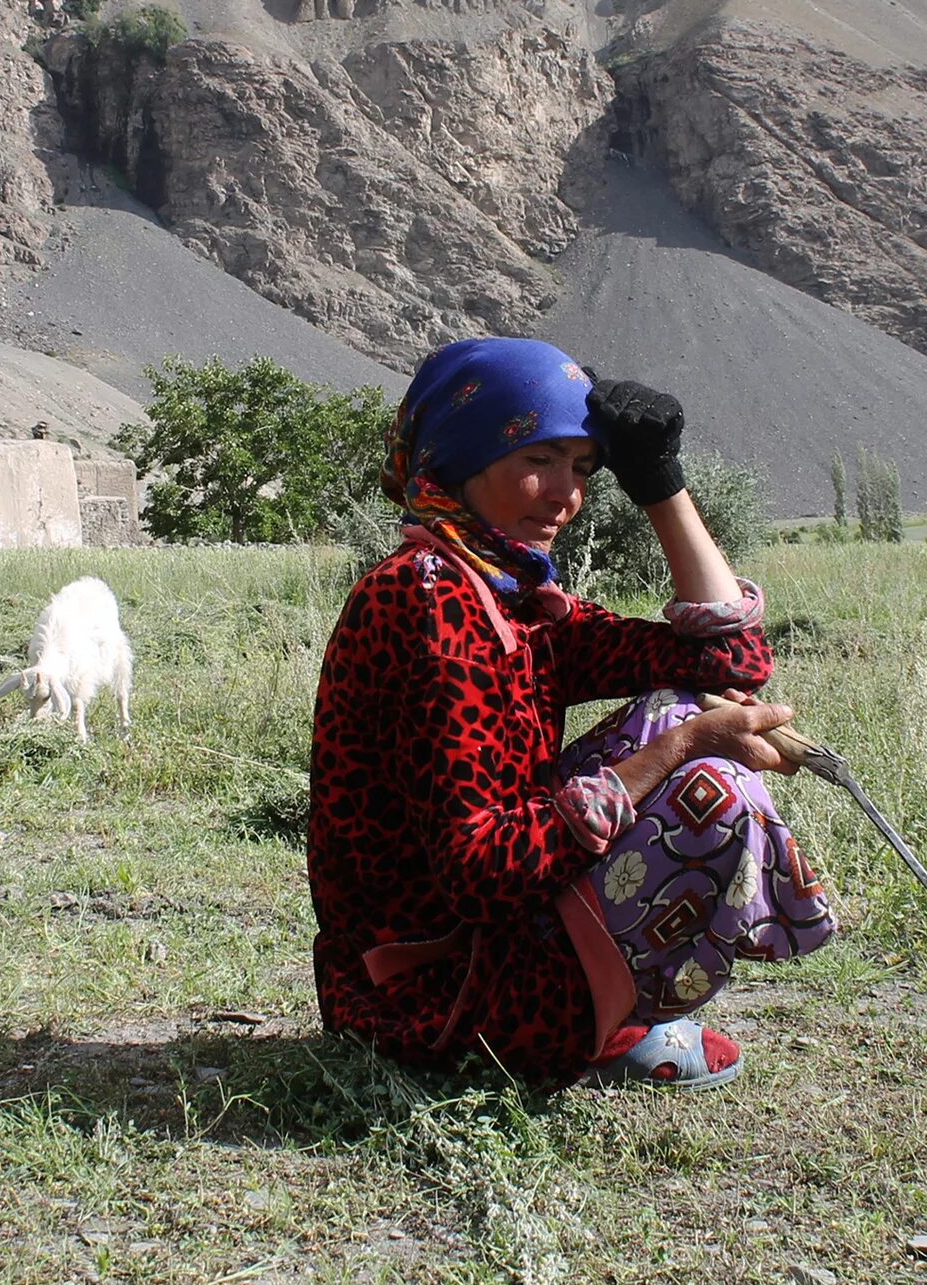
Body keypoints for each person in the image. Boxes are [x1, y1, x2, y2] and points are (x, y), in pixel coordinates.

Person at [307, 337, 834, 1090]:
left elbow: (730, 660)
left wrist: (660, 482)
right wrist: (681, 749)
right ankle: (590, 1030)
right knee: (701, 781)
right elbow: (479, 871)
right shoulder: (428, 601)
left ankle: (600, 1010)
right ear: (464, 456)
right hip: (433, 1007)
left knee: (674, 702)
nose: (567, 495)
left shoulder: (509, 601)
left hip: (471, 959)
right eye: (539, 460)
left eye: (583, 469)